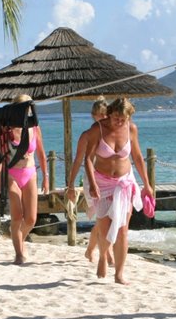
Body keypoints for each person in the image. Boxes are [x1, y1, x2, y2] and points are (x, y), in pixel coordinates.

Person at [82, 98, 153, 284]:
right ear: (110, 113)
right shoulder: (97, 129)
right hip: (102, 183)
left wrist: (147, 184)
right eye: (115, 118)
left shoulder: (131, 129)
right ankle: (103, 255)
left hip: (124, 182)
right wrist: (92, 183)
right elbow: (88, 159)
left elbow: (137, 157)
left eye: (122, 119)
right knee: (104, 228)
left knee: (122, 229)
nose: (119, 122)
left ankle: (119, 273)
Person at [0, 94, 48, 265]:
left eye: (28, 107)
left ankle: (19, 237)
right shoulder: (7, 129)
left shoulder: (34, 128)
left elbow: (41, 154)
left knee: (31, 219)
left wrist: (46, 177)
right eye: (23, 107)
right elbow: (0, 156)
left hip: (30, 173)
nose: (27, 110)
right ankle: (19, 253)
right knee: (17, 216)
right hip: (13, 173)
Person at [65, 97, 110, 264]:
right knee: (102, 218)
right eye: (99, 115)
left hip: (110, 180)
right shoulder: (87, 135)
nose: (102, 118)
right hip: (92, 181)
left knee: (109, 218)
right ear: (93, 115)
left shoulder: (112, 134)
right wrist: (70, 186)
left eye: (105, 115)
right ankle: (104, 253)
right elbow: (78, 161)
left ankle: (91, 248)